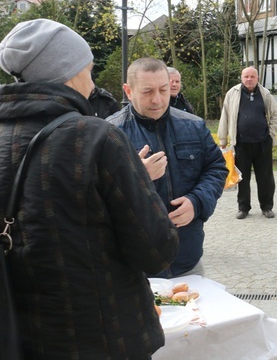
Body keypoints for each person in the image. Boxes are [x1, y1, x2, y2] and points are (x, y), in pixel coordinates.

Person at [0, 19, 178, 358]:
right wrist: (137, 182)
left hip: (20, 338)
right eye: (89, 70)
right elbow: (156, 251)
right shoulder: (96, 137)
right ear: (67, 73)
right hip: (102, 338)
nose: (92, 83)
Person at [107, 58, 226, 277]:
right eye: (147, 92)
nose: (157, 100)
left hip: (187, 259)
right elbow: (95, 196)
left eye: (163, 90)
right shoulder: (109, 134)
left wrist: (197, 202)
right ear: (128, 91)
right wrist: (137, 176)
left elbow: (216, 169)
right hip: (134, 268)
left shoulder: (194, 126)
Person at [217, 66, 277, 219]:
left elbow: (276, 115)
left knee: (265, 177)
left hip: (262, 143)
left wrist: (270, 135)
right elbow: (224, 116)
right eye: (246, 76)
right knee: (242, 178)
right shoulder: (232, 94)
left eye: (252, 76)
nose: (249, 79)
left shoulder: (265, 94)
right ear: (241, 78)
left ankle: (266, 207)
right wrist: (223, 140)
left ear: (257, 78)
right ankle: (243, 208)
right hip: (240, 143)